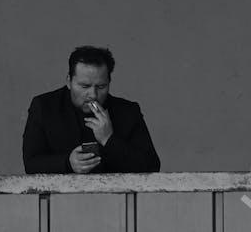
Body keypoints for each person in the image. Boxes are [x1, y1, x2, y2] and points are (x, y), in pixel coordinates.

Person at [22, 45, 161, 173]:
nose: (93, 95)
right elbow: (31, 164)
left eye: (101, 87)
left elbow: (152, 166)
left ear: (109, 82)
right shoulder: (44, 107)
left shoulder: (128, 112)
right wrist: (67, 163)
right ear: (69, 81)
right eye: (85, 86)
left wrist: (109, 139)